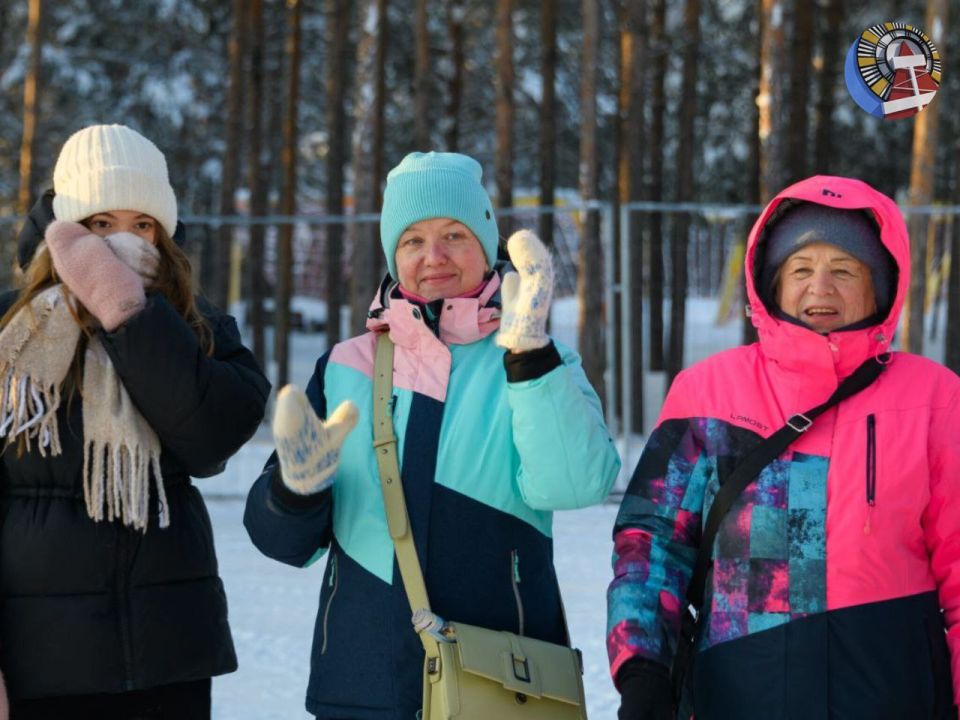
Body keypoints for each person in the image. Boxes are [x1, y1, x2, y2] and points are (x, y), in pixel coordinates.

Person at [244, 151, 621, 719]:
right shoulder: (346, 367)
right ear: (392, 253)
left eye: (454, 235)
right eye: (413, 240)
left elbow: (575, 485)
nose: (434, 256)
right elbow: (280, 544)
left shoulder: (538, 358)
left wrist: (530, 360)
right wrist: (295, 490)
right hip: (363, 684)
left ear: (487, 242)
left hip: (501, 682)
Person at [607, 174, 960, 719]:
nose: (820, 287)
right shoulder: (707, 390)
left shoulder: (936, 398)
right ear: (770, 283)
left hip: (894, 699)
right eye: (801, 269)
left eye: (844, 269)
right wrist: (642, 671)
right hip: (738, 698)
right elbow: (653, 544)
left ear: (881, 286)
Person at [0, 124, 270, 718]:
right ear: (65, 229)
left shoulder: (198, 326)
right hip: (39, 658)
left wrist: (130, 313)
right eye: (100, 224)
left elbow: (210, 441)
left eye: (141, 224)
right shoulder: (11, 332)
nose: (122, 242)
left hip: (166, 653)